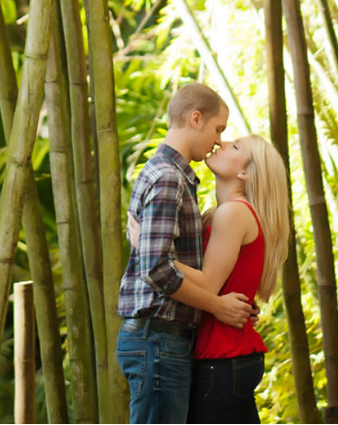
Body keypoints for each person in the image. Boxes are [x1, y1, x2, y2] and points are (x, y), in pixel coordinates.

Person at [117, 83, 254, 424]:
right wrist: (217, 306)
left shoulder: (167, 173)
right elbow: (157, 268)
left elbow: (156, 258)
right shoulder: (168, 178)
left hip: (160, 338)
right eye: (218, 129)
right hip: (158, 337)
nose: (218, 140)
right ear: (196, 119)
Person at [177, 134, 290, 424]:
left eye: (235, 146)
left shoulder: (233, 213)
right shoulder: (225, 213)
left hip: (220, 360)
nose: (222, 142)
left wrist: (153, 256)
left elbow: (206, 286)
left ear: (246, 173)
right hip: (232, 359)